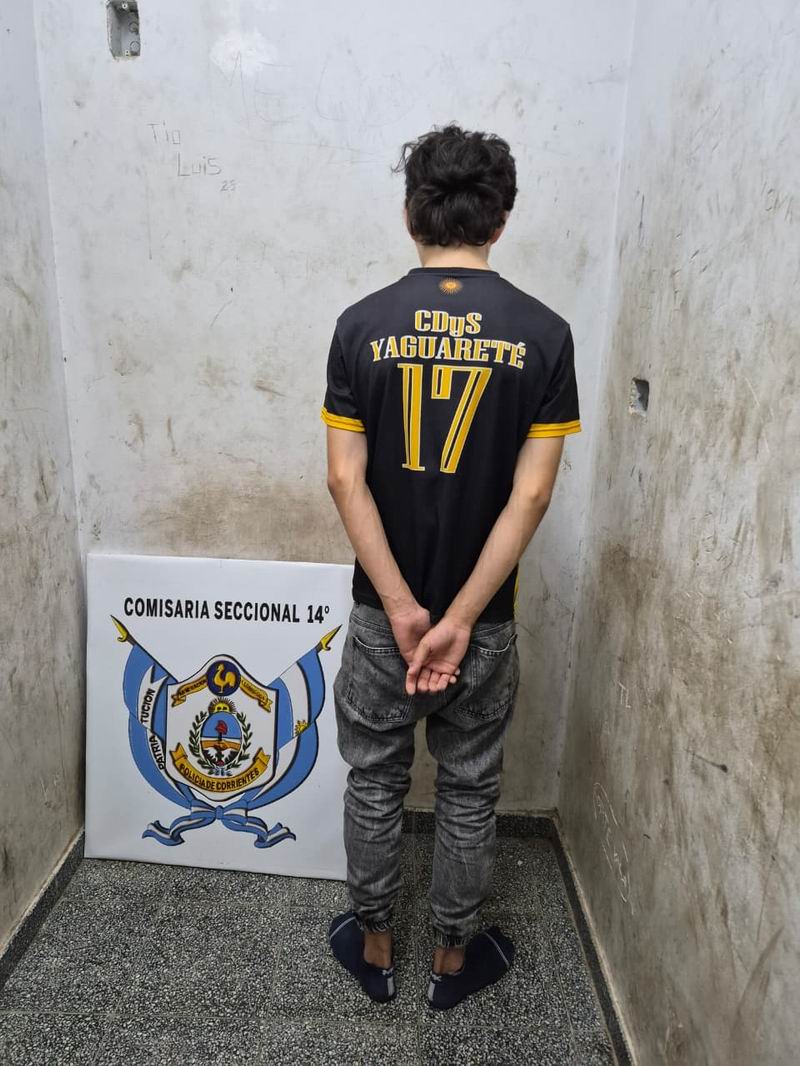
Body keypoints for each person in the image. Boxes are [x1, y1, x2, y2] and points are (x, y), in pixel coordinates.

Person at [322, 124, 580, 1009]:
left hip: (380, 616)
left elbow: (344, 479)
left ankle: (375, 946)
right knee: (469, 789)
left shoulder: (360, 326)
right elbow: (531, 497)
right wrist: (462, 617)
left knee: (375, 778)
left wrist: (401, 607)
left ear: (411, 214)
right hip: (485, 622)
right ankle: (452, 964)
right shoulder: (545, 335)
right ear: (501, 221)